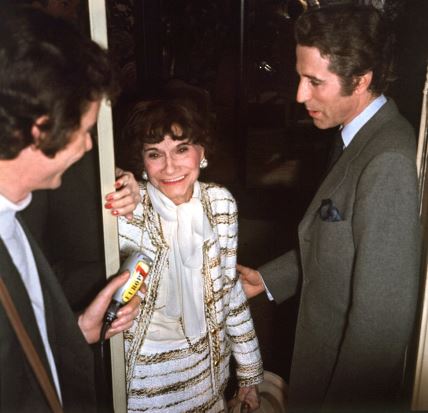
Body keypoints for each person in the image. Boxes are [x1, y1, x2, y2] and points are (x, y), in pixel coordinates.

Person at [237, 3, 421, 413]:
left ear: (361, 80)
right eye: (300, 77)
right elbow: (337, 240)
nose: (300, 95)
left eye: (315, 82)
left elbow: (381, 328)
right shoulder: (354, 136)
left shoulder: (386, 161)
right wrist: (267, 280)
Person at [0, 6, 141, 412]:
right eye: (83, 130)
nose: (89, 145)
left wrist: (78, 329)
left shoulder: (12, 216)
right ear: (40, 129)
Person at [118, 100, 264, 412]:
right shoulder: (127, 208)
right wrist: (115, 177)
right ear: (141, 161)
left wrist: (250, 372)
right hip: (145, 385)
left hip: (208, 376)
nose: (169, 167)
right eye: (154, 154)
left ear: (202, 151)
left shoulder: (220, 203)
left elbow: (230, 290)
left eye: (181, 149)